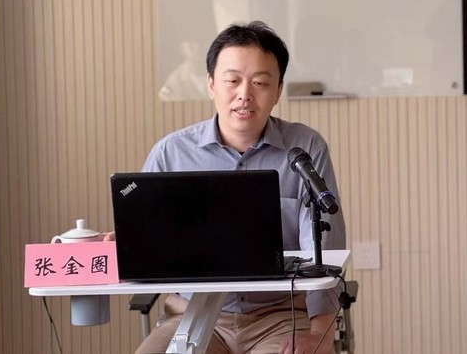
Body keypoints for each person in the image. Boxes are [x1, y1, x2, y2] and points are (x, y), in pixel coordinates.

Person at [112, 21, 346, 354]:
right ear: (211, 84)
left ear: (277, 90)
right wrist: (127, 243)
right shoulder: (171, 153)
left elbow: (327, 250)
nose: (244, 94)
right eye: (232, 80)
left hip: (282, 316)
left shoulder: (305, 148)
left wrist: (319, 333)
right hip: (192, 314)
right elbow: (147, 242)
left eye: (260, 82)